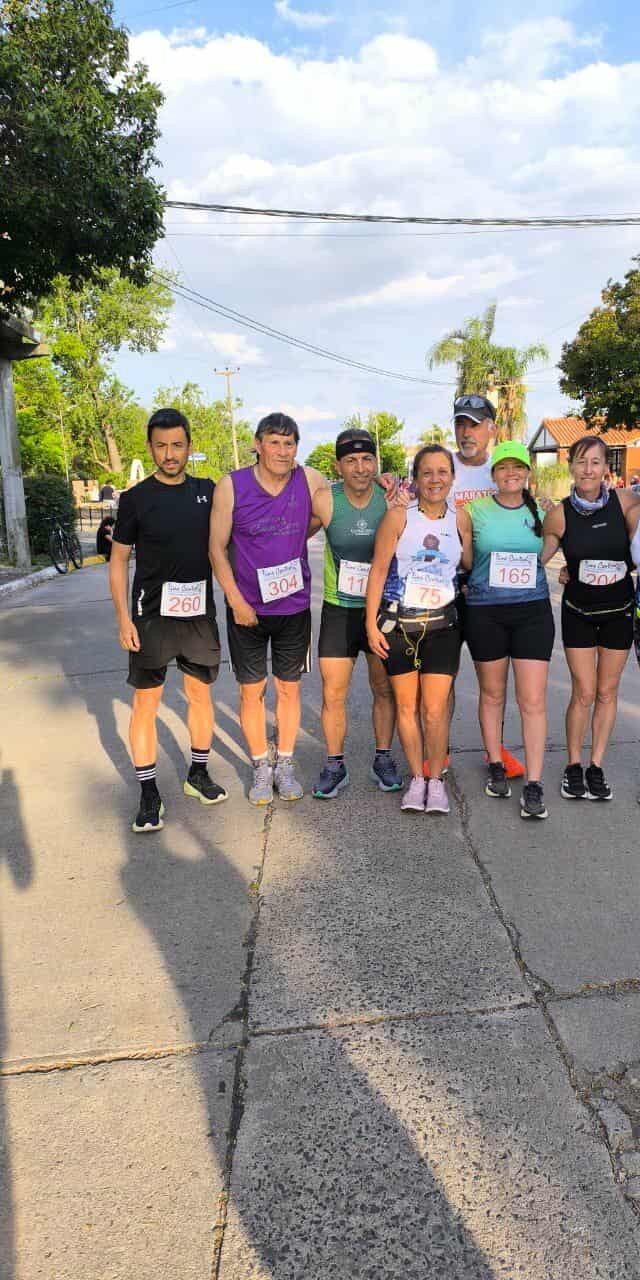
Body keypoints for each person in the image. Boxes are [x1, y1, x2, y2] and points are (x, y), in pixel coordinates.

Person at [110, 408, 227, 833]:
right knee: (147, 704)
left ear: (189, 447)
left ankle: (198, 773)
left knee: (200, 696)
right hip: (151, 619)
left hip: (198, 615)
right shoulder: (136, 499)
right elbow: (118, 560)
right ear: (149, 448)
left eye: (177, 445)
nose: (169, 453)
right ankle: (148, 792)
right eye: (160, 445)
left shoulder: (209, 491)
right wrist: (124, 618)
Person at [211, 412, 329, 805]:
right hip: (247, 608)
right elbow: (216, 548)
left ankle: (286, 763)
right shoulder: (232, 486)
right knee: (251, 692)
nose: (282, 450)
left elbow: (332, 508)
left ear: (297, 447)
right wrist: (236, 600)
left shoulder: (309, 479)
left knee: (289, 690)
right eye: (274, 442)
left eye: (289, 443)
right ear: (258, 444)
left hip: (294, 608)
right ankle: (261, 764)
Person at [366, 445, 470, 815]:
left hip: (442, 624)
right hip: (401, 624)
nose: (435, 479)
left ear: (452, 478)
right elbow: (378, 571)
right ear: (416, 478)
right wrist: (369, 623)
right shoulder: (399, 517)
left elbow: (468, 563)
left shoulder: (460, 519)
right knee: (406, 707)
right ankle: (416, 779)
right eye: (427, 472)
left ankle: (436, 780)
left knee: (434, 709)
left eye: (443, 472)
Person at [457, 441, 554, 820]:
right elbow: (461, 555)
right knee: (492, 693)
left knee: (532, 700)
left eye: (518, 467)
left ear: (527, 472)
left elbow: (558, 546)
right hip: (486, 611)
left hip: (532, 612)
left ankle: (533, 782)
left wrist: (561, 568)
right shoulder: (473, 510)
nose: (510, 473)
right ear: (492, 474)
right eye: (503, 468)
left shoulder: (544, 510)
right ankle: (496, 762)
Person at [542, 436, 640, 800]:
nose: (588, 469)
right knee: (583, 693)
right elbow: (538, 559)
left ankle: (596, 765)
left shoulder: (627, 503)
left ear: (606, 469)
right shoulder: (559, 513)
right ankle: (573, 765)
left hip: (618, 612)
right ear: (571, 467)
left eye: (596, 462)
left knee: (607, 691)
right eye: (582, 462)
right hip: (579, 613)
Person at [310, 426, 402, 798]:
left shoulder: (392, 497)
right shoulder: (325, 500)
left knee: (383, 688)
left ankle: (383, 758)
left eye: (367, 460)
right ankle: (335, 764)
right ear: (338, 465)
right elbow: (288, 533)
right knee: (333, 691)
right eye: (351, 461)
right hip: (339, 608)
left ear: (376, 463)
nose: (360, 468)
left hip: (381, 611)